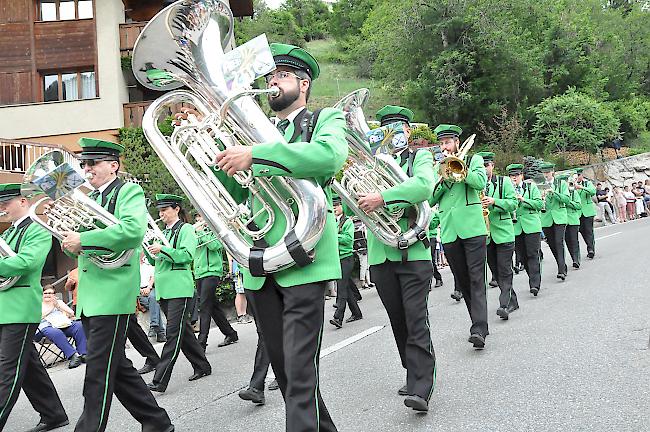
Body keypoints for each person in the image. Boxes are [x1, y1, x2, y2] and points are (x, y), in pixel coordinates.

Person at [203, 43, 346, 431]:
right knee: (287, 377)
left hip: (304, 257)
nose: (272, 82)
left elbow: (329, 157)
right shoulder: (248, 135)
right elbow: (237, 193)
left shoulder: (324, 119)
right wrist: (215, 160)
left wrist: (258, 153)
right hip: (259, 262)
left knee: (299, 374)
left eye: (281, 75)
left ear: (303, 84)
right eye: (269, 76)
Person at [59, 138, 173, 431]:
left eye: (92, 163)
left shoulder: (128, 191)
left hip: (112, 292)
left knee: (97, 372)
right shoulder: (91, 199)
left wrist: (83, 240)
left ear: (113, 165)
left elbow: (133, 231)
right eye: (84, 164)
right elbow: (81, 245)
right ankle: (157, 422)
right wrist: (71, 242)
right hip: (91, 295)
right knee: (117, 367)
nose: (87, 169)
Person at [359, 105, 436, 411]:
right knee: (398, 320)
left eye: (399, 127)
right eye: (386, 128)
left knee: (416, 318)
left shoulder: (421, 157)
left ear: (407, 131)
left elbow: (424, 186)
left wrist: (384, 198)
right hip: (381, 253)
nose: (393, 134)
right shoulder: (369, 164)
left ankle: (421, 384)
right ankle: (413, 369)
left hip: (414, 252)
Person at [0, 183, 69, 432]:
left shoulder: (37, 229)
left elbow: (28, 262)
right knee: (26, 365)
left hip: (20, 306)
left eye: (6, 202)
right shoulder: (7, 234)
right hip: (6, 307)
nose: (2, 207)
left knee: (6, 371)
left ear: (23, 202)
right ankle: (54, 415)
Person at [146, 194, 211, 393]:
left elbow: (186, 255)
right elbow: (154, 262)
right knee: (184, 333)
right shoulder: (162, 232)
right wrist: (150, 250)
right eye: (160, 210)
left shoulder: (186, 229)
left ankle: (160, 380)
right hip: (164, 290)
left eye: (165, 209)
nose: (161, 214)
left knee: (173, 334)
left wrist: (163, 249)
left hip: (179, 288)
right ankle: (202, 366)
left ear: (176, 209)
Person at [431, 124, 489, 349]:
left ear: (457, 142)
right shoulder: (437, 167)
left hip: (473, 228)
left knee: (476, 278)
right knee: (463, 282)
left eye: (448, 142)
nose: (445, 147)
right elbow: (431, 199)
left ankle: (479, 328)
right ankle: (478, 323)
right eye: (442, 143)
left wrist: (459, 171)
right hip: (449, 230)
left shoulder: (474, 160)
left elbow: (479, 182)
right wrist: (445, 179)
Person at [478, 152, 518, 320]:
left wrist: (495, 202)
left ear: (492, 165)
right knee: (496, 271)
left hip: (503, 233)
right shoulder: (476, 185)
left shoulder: (504, 182)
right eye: (481, 166)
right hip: (486, 235)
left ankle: (505, 304)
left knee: (504, 269)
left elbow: (513, 203)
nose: (484, 168)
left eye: (486, 165)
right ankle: (512, 300)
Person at [193, 214, 239, 351]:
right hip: (199, 273)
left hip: (212, 272)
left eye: (201, 218)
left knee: (205, 306)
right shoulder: (195, 233)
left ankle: (201, 343)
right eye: (197, 219)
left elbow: (215, 246)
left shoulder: (215, 231)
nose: (199, 221)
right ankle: (230, 333)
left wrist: (201, 231)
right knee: (212, 306)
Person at [508, 164, 543, 296]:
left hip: (531, 225)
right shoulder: (508, 189)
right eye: (512, 176)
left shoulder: (530, 187)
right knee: (522, 256)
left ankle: (535, 284)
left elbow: (539, 204)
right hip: (516, 227)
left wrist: (523, 200)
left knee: (533, 254)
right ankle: (532, 277)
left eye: (516, 175)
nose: (514, 178)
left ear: (521, 175)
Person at [329, 195, 363, 328]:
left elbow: (348, 239)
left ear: (342, 207)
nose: (335, 208)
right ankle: (356, 313)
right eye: (333, 206)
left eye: (337, 205)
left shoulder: (347, 222)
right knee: (347, 288)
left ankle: (338, 317)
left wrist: (334, 235)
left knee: (341, 288)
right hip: (337, 258)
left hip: (346, 258)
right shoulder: (334, 222)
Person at [36, 285, 88, 369]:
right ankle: (73, 356)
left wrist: (58, 306)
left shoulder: (58, 302)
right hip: (46, 328)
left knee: (79, 325)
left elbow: (71, 313)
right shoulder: (38, 304)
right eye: (46, 293)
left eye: (51, 293)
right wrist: (51, 308)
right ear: (42, 294)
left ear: (54, 294)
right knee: (55, 332)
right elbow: (38, 318)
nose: (48, 295)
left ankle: (83, 353)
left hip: (62, 325)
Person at [539, 162, 570, 281]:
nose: (546, 175)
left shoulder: (560, 183)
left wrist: (554, 193)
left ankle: (561, 270)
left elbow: (566, 199)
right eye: (544, 173)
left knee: (558, 242)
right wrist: (541, 198)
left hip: (559, 217)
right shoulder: (540, 185)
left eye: (548, 172)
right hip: (546, 218)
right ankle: (562, 264)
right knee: (552, 244)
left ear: (553, 172)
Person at [139, 252, 166, 342]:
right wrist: (139, 290)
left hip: (150, 288)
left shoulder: (148, 263)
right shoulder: (133, 266)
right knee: (154, 303)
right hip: (139, 291)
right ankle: (160, 332)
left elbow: (153, 276)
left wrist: (149, 287)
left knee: (153, 298)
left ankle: (154, 325)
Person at [574, 169, 597, 259]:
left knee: (589, 230)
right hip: (578, 212)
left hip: (588, 211)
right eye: (576, 176)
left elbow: (592, 192)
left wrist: (581, 187)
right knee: (582, 231)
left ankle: (591, 249)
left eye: (579, 175)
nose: (578, 177)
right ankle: (589, 245)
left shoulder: (587, 183)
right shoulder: (572, 185)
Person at [563, 173, 583, 270]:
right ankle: (573, 258)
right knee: (567, 241)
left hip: (573, 220)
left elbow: (578, 206)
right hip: (563, 220)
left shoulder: (573, 193)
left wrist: (568, 202)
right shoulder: (560, 193)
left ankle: (576, 259)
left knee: (574, 240)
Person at [428, 209, 444, 288]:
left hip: (431, 237)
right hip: (419, 237)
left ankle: (438, 278)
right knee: (425, 261)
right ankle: (428, 283)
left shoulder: (433, 212)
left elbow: (434, 223)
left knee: (431, 260)